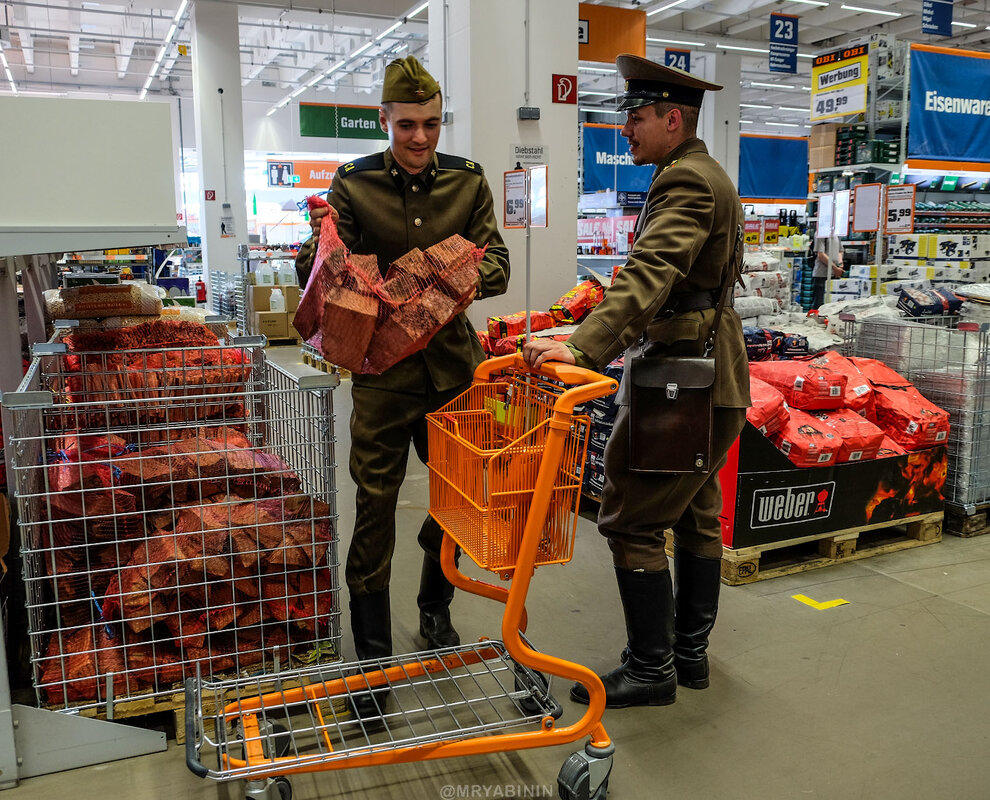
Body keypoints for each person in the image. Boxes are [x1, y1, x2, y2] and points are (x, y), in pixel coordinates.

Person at [523, 54, 749, 709]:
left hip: (684, 381)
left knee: (631, 521)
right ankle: (688, 656)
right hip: (713, 377)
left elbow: (649, 276)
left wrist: (581, 344)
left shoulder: (686, 183)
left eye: (636, 115)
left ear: (672, 120)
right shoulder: (703, 174)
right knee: (699, 516)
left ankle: (652, 670)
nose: (625, 128)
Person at [294, 56, 511, 716]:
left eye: (433, 125)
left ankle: (436, 608)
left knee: (455, 500)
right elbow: (327, 267)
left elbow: (496, 261)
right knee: (375, 505)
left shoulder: (467, 182)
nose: (421, 139)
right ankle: (372, 658)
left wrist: (446, 280)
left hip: (452, 370)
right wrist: (321, 253)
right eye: (408, 124)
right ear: (385, 119)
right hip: (382, 377)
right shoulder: (354, 186)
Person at [812, 233, 843, 309]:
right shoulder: (821, 233)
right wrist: (835, 268)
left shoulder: (836, 233)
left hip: (834, 275)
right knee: (819, 305)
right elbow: (821, 255)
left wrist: (840, 264)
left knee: (833, 305)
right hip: (821, 275)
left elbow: (840, 251)